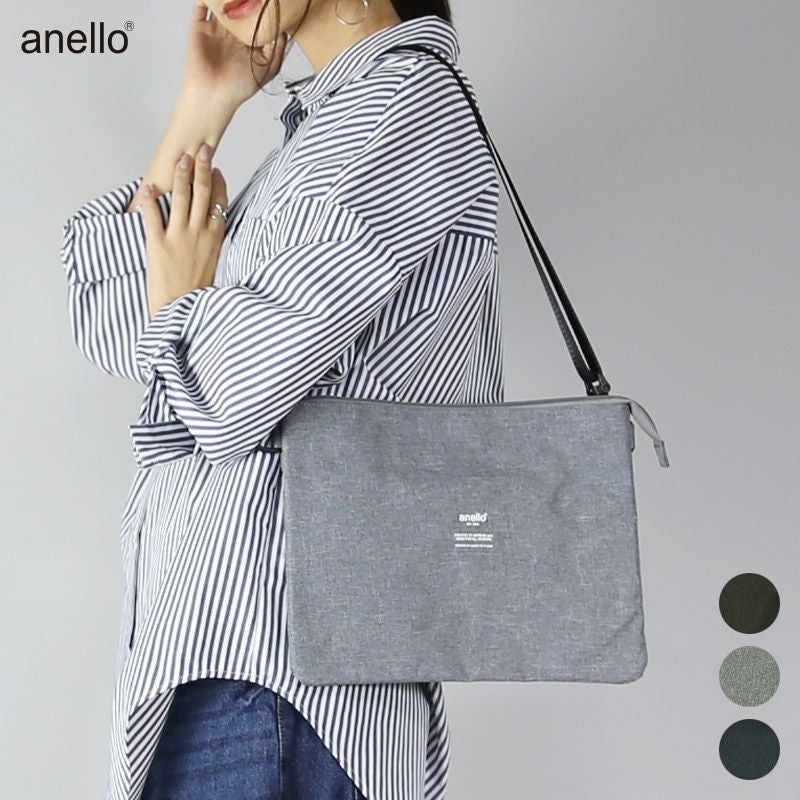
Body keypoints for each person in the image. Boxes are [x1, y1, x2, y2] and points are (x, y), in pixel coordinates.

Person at [59, 1, 504, 798]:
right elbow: (116, 323)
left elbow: (230, 390)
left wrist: (183, 302)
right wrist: (204, 105)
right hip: (230, 666)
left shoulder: (404, 101)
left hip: (278, 677)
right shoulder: (326, 133)